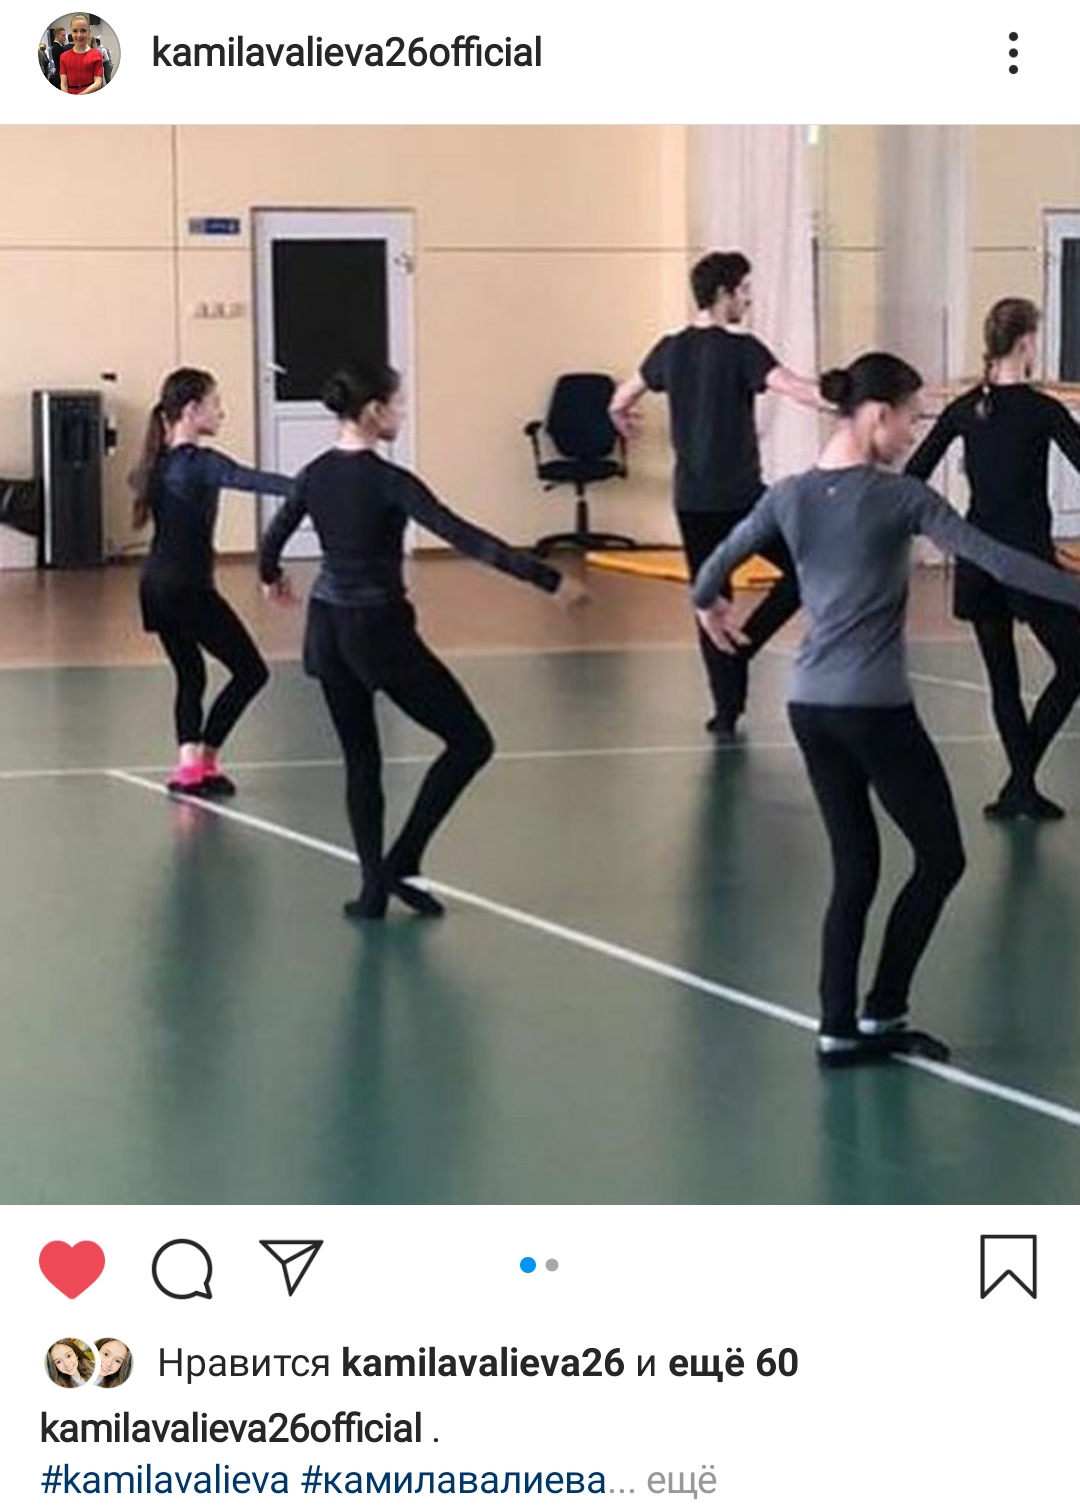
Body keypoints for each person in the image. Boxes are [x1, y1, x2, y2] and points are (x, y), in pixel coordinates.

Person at [691, 352, 1080, 1067]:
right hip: (875, 711)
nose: (912, 434)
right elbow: (1000, 560)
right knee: (941, 858)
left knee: (856, 868)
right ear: (875, 416)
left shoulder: (790, 494)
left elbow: (716, 564)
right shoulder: (901, 499)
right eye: (908, 419)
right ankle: (883, 1010)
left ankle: (839, 1028)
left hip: (810, 708)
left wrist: (707, 602)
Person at [259, 362, 586, 921]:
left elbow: (277, 532)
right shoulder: (390, 482)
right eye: (398, 403)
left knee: (361, 761)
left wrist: (270, 576)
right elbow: (464, 537)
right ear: (373, 412)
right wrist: (548, 579)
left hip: (327, 631)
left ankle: (372, 891)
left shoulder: (314, 474)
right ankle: (402, 859)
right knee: (471, 742)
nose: (403, 413)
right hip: (378, 634)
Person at [609, 250, 823, 736]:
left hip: (693, 502)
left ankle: (726, 712)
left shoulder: (669, 349)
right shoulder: (742, 349)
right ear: (724, 293)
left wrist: (619, 417)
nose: (748, 299)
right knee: (804, 571)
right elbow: (796, 389)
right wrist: (846, 398)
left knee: (710, 600)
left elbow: (621, 397)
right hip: (745, 501)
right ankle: (744, 646)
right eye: (744, 290)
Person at [905, 297, 1080, 820]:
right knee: (1075, 667)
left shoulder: (966, 409)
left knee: (1004, 681)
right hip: (1028, 565)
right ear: (1027, 342)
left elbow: (912, 478)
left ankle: (1018, 789)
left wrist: (947, 530)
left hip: (978, 559)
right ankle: (1019, 784)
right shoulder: (1042, 410)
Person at [130, 368, 292, 796]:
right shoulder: (200, 464)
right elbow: (255, 481)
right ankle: (205, 759)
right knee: (251, 672)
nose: (222, 412)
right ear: (191, 410)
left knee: (191, 676)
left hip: (155, 587)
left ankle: (190, 771)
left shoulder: (158, 463)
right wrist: (313, 488)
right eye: (215, 404)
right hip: (187, 589)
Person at [59, 15, 104, 94]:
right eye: (75, 31)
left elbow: (98, 83)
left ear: (89, 31)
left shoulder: (96, 55)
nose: (79, 35)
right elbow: (63, 84)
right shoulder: (64, 56)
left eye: (83, 31)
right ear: (71, 32)